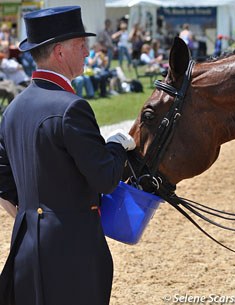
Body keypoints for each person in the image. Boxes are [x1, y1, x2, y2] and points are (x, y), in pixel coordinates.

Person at [0, 6, 136, 305]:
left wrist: (32, 212)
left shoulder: (11, 110)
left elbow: (4, 181)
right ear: (59, 52)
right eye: (80, 44)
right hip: (72, 251)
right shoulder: (71, 107)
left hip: (26, 246)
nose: (88, 51)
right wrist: (116, 146)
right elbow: (105, 178)